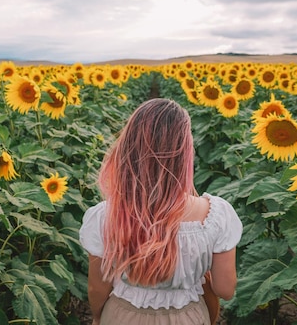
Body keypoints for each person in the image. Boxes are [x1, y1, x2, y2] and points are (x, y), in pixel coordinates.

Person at [79, 98, 243, 325]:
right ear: (185, 152)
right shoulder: (214, 217)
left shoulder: (106, 217)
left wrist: (98, 317)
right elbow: (225, 289)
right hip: (187, 317)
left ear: (128, 149)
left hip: (122, 316)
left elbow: (97, 287)